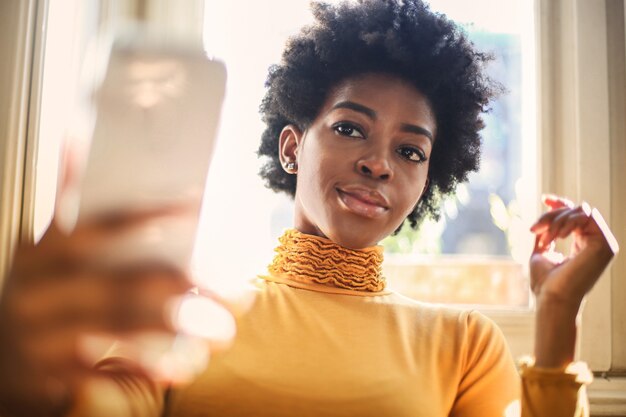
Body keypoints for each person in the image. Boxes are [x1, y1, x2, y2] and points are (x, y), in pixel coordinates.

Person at [0, 0, 618, 416]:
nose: (380, 163)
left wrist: (558, 312)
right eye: (351, 129)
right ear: (293, 147)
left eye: (410, 150)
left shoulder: (463, 343)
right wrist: (26, 370)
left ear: (427, 179)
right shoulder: (189, 317)